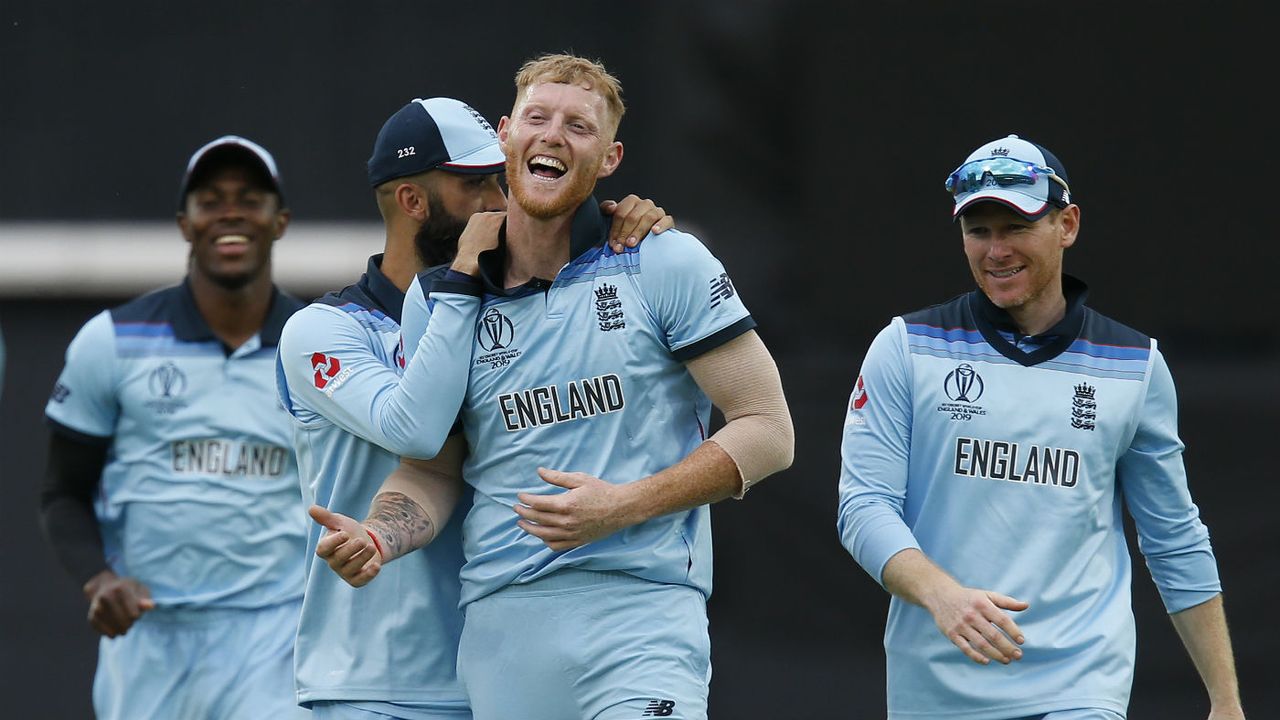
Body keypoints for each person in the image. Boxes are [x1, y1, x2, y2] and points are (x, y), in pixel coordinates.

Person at [311, 53, 794, 720]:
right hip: (502, 635)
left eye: (579, 126)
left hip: (642, 618)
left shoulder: (664, 260)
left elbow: (769, 430)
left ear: (611, 157)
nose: (552, 135)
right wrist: (380, 536)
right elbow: (435, 468)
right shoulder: (444, 296)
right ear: (506, 134)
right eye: (537, 118)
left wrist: (624, 505)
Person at [275, 96, 675, 719]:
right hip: (373, 684)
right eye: (477, 184)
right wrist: (462, 276)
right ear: (413, 203)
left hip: (498, 672)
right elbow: (416, 430)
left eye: (501, 175)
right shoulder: (323, 332)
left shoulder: (511, 308)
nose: (502, 196)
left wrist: (618, 221)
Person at [836, 134, 1246, 720]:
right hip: (936, 688)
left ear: (1068, 225)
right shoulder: (905, 347)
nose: (995, 250)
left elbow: (1174, 536)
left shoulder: (1136, 366)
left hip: (1080, 687)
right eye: (979, 231)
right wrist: (942, 595)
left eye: (1017, 227)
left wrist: (1225, 701)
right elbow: (863, 507)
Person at [40, 136, 309, 720]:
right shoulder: (111, 341)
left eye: (250, 199)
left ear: (280, 221)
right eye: (210, 200)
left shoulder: (319, 345)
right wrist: (97, 580)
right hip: (150, 639)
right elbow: (62, 492)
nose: (230, 213)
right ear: (184, 224)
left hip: (279, 636)